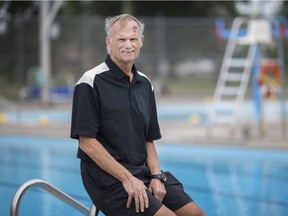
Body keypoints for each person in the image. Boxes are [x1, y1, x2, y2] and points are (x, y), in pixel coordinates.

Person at [70, 14, 205, 216]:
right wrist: (127, 178)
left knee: (195, 213)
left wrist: (156, 175)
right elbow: (87, 143)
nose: (128, 45)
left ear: (141, 41)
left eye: (133, 39)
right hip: (107, 179)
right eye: (121, 39)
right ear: (109, 42)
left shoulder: (145, 83)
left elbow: (148, 137)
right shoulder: (90, 81)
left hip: (142, 172)